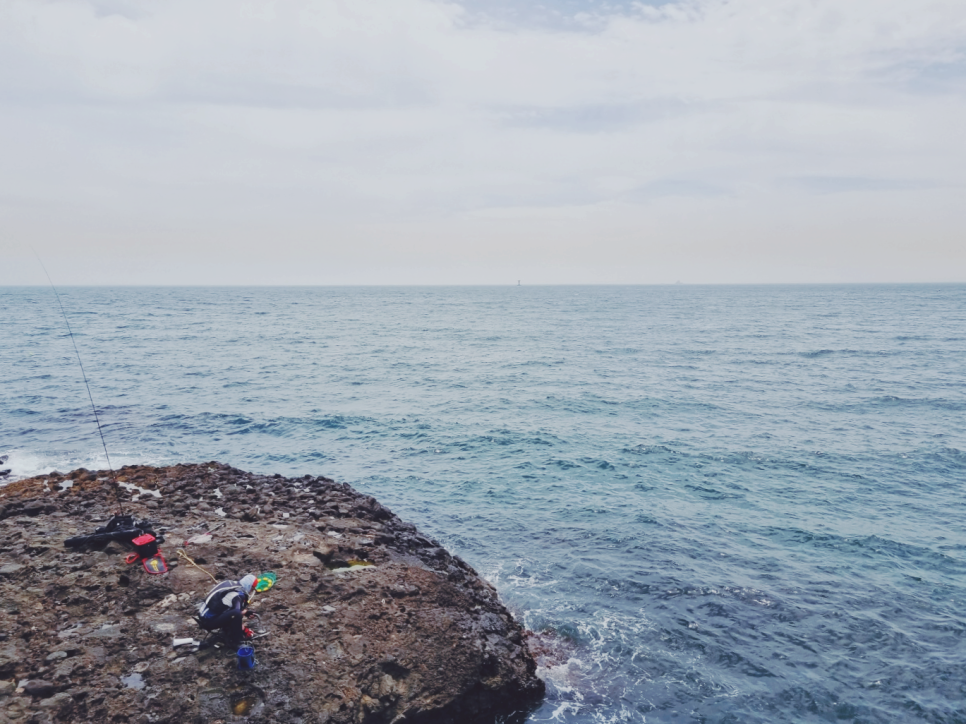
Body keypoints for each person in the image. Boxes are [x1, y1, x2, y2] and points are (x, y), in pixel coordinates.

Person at [197, 574, 258, 644]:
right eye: (252, 588)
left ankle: (227, 630)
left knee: (234, 613)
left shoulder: (230, 583)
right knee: (237, 614)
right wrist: (244, 630)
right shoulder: (238, 595)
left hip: (203, 615)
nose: (252, 590)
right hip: (208, 622)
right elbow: (236, 614)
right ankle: (236, 642)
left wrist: (246, 612)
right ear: (249, 586)